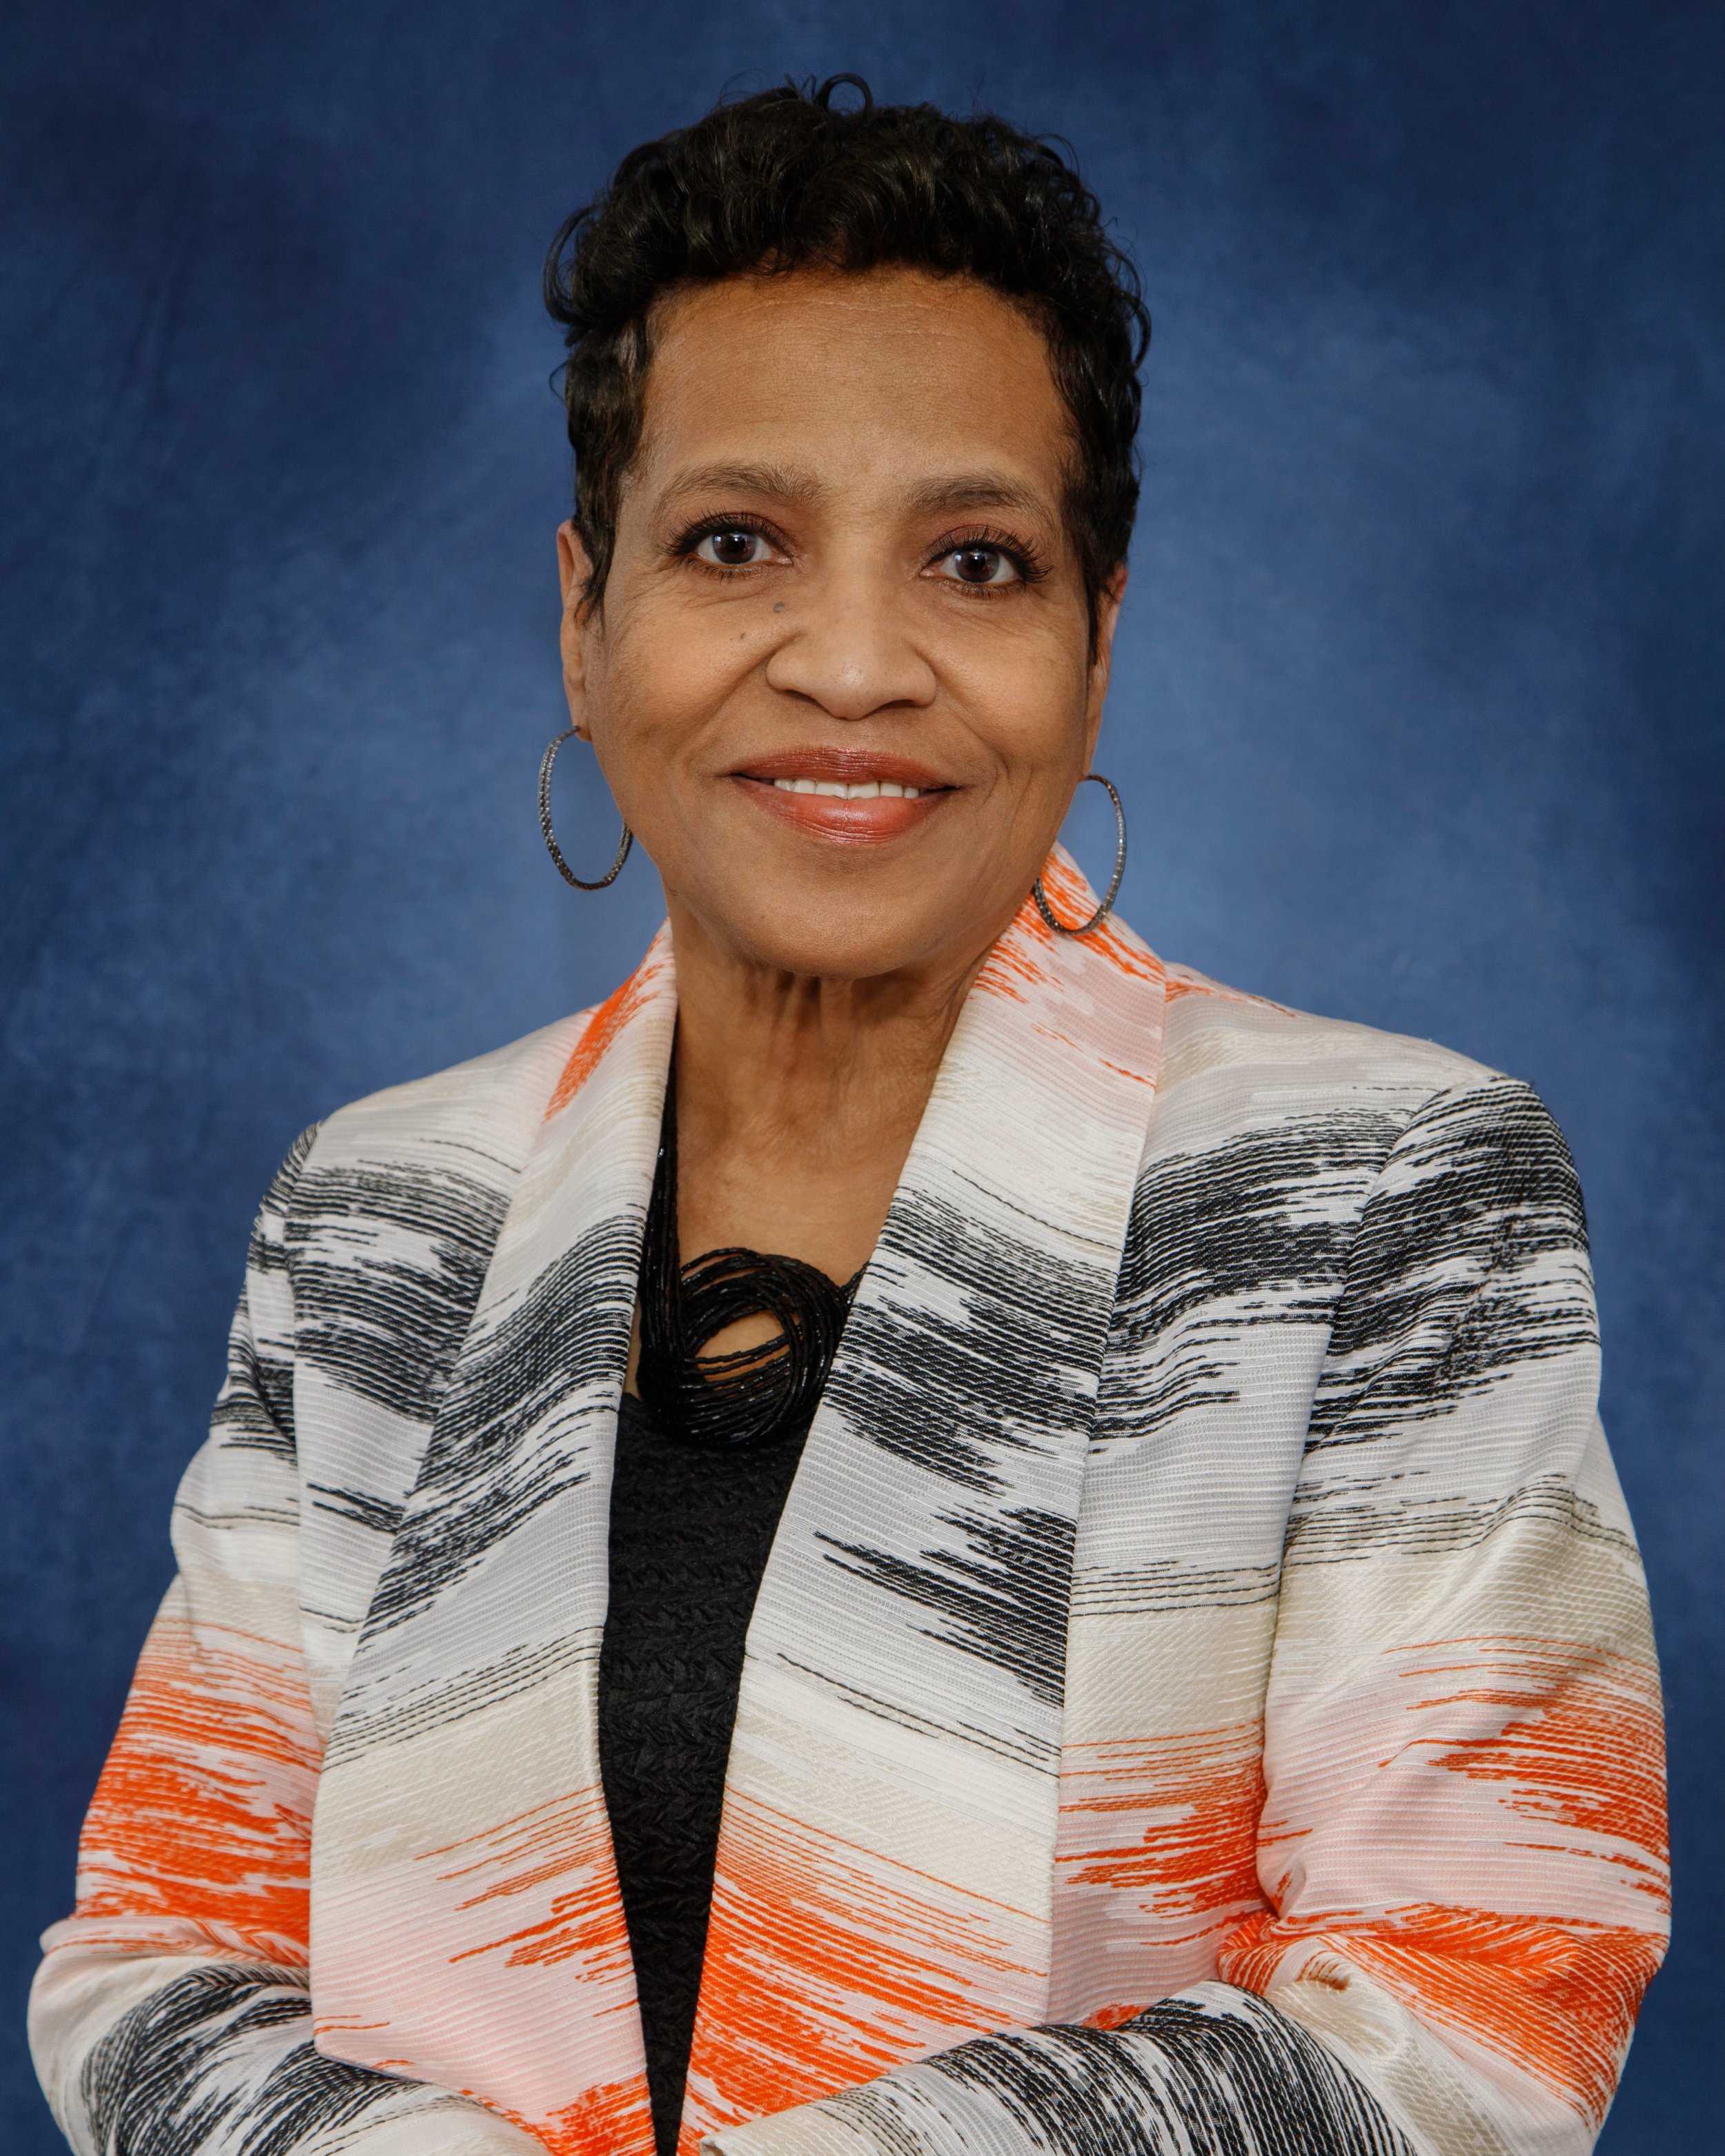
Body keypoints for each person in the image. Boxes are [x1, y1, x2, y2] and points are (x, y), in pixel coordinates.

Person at [30, 77, 1666, 2156]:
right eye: (737, 544)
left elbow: (1478, 1988)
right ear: (583, 620)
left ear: (1096, 646)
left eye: (976, 561)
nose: (858, 664)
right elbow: (161, 1952)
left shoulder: (1381, 1197)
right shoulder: (376, 1216)